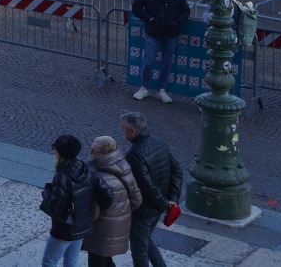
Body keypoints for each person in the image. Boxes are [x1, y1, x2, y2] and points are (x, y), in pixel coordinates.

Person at [121, 112, 181, 267]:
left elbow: (147, 187)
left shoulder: (134, 154)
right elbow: (177, 171)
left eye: (124, 129)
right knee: (147, 241)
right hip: (158, 207)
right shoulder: (158, 142)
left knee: (139, 251)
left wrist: (164, 204)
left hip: (144, 210)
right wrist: (172, 200)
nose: (123, 133)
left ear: (133, 131)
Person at [41, 133, 107, 267]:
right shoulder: (88, 168)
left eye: (55, 150)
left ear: (59, 153)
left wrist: (47, 190)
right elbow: (107, 195)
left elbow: (55, 207)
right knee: (71, 261)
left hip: (64, 228)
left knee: (49, 262)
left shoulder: (62, 176)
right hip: (81, 225)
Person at [131, 0, 190, 104]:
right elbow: (136, 7)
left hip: (171, 32)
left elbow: (186, 11)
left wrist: (176, 22)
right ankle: (144, 87)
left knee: (167, 62)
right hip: (153, 31)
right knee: (148, 62)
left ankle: (161, 89)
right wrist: (149, 19)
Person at [85, 135, 142, 267]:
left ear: (104, 153)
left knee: (97, 262)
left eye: (94, 150)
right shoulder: (124, 167)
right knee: (107, 261)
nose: (90, 153)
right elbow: (137, 200)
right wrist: (120, 213)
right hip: (118, 229)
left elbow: (93, 213)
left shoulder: (98, 177)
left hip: (100, 232)